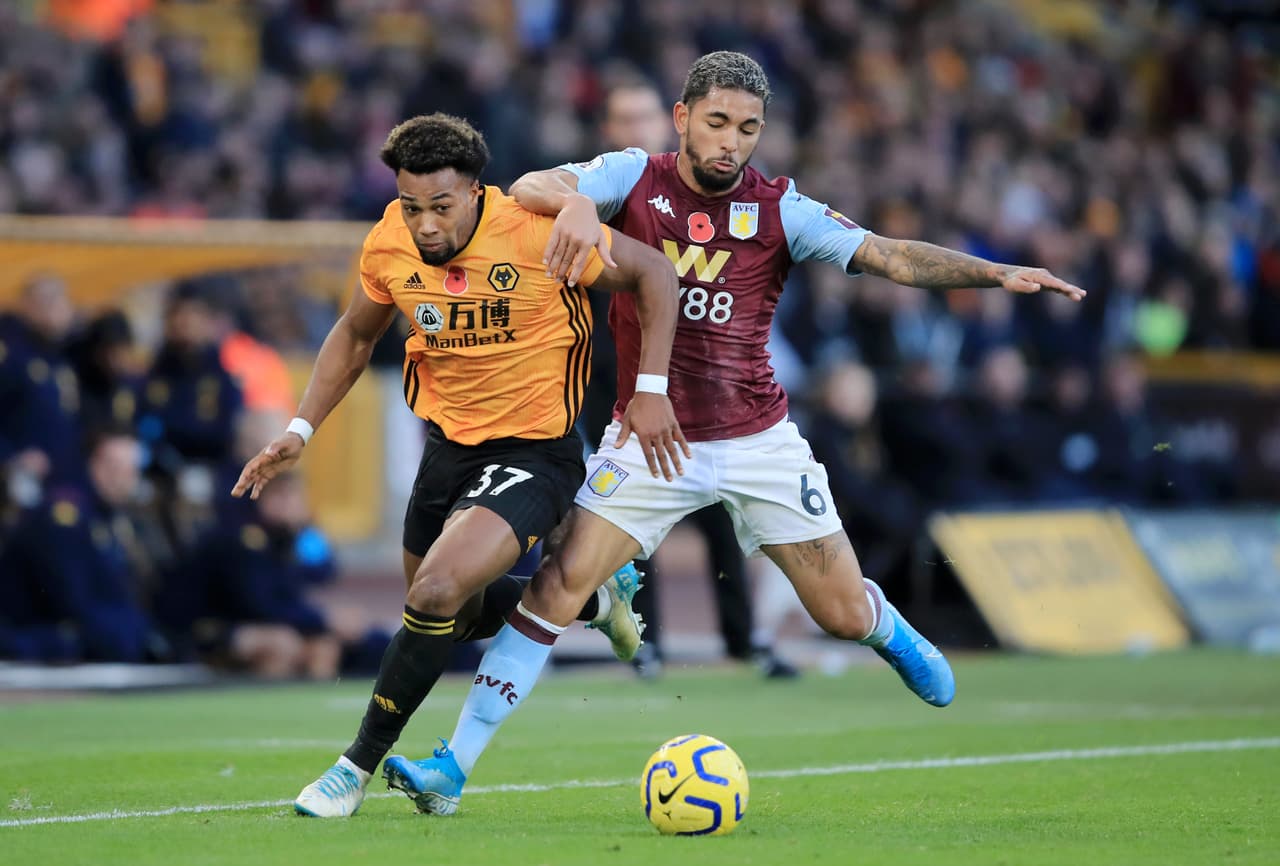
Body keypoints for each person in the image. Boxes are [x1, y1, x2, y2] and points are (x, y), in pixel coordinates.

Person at [382, 51, 1085, 817]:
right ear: (682, 118)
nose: (731, 142)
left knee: (838, 615)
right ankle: (454, 764)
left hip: (758, 442)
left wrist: (994, 273)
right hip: (650, 439)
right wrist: (579, 203)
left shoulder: (783, 209)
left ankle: (883, 625)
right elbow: (528, 187)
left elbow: (889, 256)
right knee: (556, 585)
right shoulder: (632, 174)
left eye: (748, 128)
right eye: (717, 122)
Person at [229, 113, 683, 818]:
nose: (426, 225)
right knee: (453, 615)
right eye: (412, 207)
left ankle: (353, 768)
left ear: (477, 192)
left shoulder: (537, 230)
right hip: (446, 452)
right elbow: (354, 335)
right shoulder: (387, 243)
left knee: (435, 590)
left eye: (441, 206)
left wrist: (650, 391)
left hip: (536, 452)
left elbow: (655, 273)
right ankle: (592, 598)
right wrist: (300, 428)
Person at [588, 74, 796, 680]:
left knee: (721, 515)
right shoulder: (616, 184)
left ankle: (744, 637)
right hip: (618, 376)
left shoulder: (725, 191)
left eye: (641, 117)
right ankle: (644, 640)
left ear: (669, 119)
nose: (634, 129)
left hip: (704, 383)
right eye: (622, 120)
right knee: (633, 520)